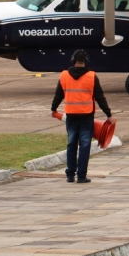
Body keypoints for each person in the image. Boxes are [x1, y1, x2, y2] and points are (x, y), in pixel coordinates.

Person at [51, 50, 112, 183]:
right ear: (86, 61)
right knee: (84, 145)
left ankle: (70, 174)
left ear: (73, 60)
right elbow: (100, 98)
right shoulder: (92, 76)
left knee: (72, 144)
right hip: (86, 115)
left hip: (71, 115)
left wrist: (53, 108)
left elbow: (58, 95)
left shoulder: (64, 76)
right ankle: (81, 176)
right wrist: (108, 114)